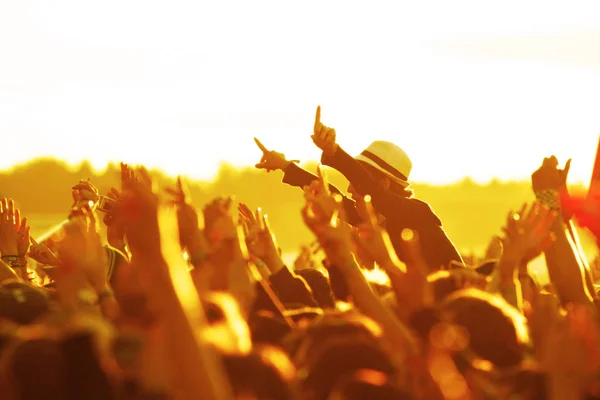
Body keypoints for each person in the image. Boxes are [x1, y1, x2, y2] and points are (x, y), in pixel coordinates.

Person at [254, 106, 463, 270]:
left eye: (357, 181)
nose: (350, 190)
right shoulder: (372, 218)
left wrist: (334, 151)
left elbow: (370, 189)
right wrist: (285, 166)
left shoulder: (416, 213)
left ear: (384, 184)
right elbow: (331, 195)